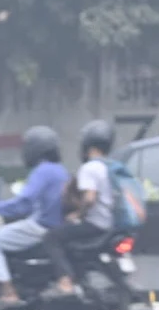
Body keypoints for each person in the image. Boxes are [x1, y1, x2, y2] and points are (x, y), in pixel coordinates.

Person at [0, 125, 69, 309]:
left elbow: (23, 203)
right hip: (53, 225)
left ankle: (8, 292)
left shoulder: (43, 171)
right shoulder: (59, 170)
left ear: (36, 148)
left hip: (41, 226)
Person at [42, 119, 117, 299]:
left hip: (95, 224)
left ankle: (65, 282)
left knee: (51, 237)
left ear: (88, 145)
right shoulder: (110, 167)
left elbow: (90, 198)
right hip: (109, 223)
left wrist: (78, 214)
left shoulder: (90, 168)